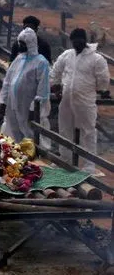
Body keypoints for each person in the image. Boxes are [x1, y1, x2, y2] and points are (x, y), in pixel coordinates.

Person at [51, 28, 111, 173]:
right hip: (65, 101)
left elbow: (103, 79)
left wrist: (96, 89)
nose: (76, 43)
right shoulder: (67, 55)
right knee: (65, 129)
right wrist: (56, 86)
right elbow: (55, 71)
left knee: (88, 132)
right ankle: (65, 159)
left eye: (79, 40)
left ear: (85, 41)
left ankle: (89, 165)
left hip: (85, 101)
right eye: (74, 41)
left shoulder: (96, 59)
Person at [0, 28, 51, 143]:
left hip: (27, 106)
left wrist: (34, 108)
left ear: (30, 44)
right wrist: (3, 101)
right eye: (20, 43)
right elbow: (7, 81)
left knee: (29, 133)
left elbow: (43, 90)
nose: (20, 46)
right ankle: (13, 156)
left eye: (23, 44)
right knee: (12, 131)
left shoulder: (41, 63)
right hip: (12, 104)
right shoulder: (18, 59)